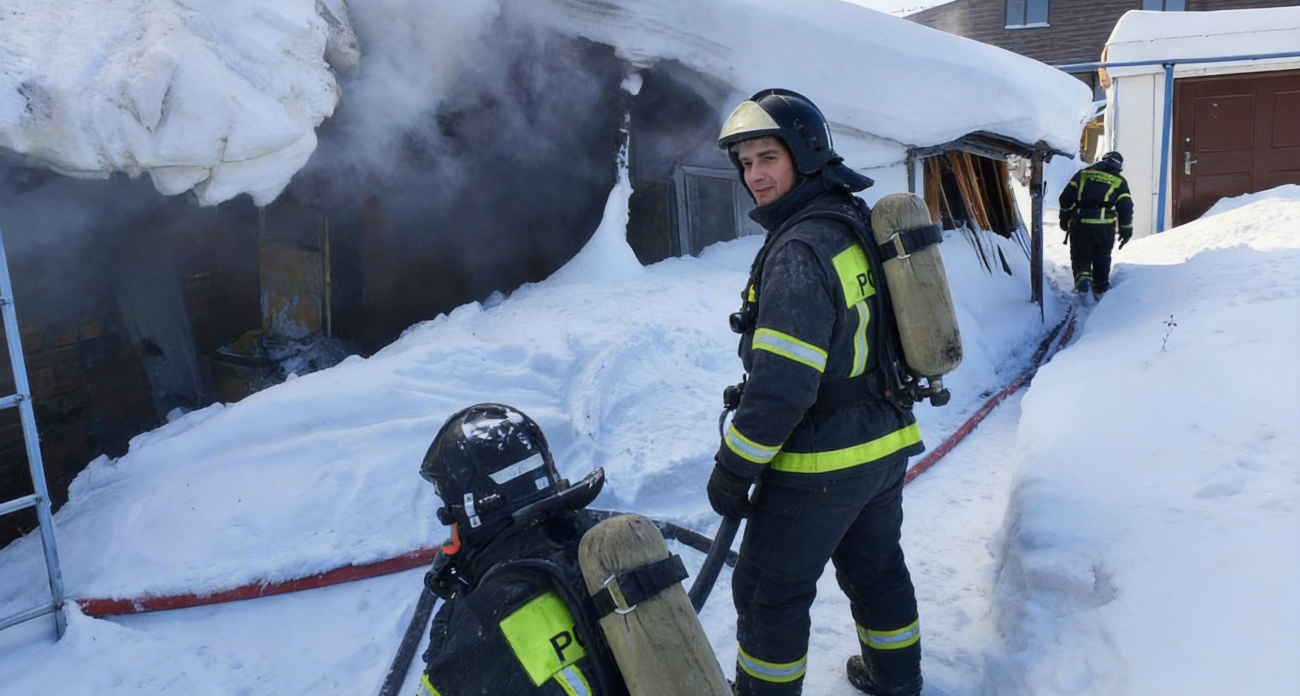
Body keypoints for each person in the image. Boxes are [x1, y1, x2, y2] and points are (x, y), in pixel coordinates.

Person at [705, 89, 926, 696]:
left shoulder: (799, 250)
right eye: (746, 163)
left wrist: (733, 469)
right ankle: (896, 682)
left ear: (803, 155)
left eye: (767, 158)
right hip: (882, 443)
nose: (754, 175)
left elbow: (782, 388)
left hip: (820, 463)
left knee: (767, 595)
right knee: (878, 572)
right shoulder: (850, 220)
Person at [417, 403, 629, 696]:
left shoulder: (483, 621)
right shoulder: (596, 546)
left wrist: (450, 639)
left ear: (474, 515)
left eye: (449, 516)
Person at [1058, 150, 1134, 300]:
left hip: (1081, 224)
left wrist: (1064, 218)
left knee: (1080, 254)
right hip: (1105, 227)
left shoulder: (1083, 174)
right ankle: (1101, 286)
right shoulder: (1119, 181)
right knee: (1102, 256)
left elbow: (1065, 198)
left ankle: (1083, 278)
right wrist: (1126, 230)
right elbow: (1125, 207)